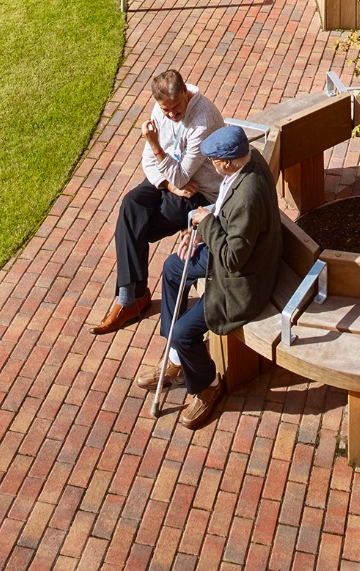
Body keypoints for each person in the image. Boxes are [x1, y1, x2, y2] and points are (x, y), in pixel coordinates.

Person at [158, 122, 283, 430]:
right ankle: (176, 357)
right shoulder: (248, 158)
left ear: (226, 163)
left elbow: (232, 260)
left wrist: (206, 225)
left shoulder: (248, 197)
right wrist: (201, 229)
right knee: (172, 268)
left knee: (184, 332)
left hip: (241, 282)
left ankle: (208, 386)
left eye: (214, 160)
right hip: (230, 255)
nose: (212, 165)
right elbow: (226, 210)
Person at [90, 66, 225, 333]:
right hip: (169, 181)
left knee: (137, 227)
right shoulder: (160, 109)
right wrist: (168, 185)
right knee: (131, 204)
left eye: (176, 108)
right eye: (166, 110)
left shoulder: (203, 120)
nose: (171, 115)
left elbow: (181, 174)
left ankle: (132, 300)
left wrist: (156, 146)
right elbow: (149, 161)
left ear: (185, 92)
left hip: (200, 190)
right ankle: (131, 298)